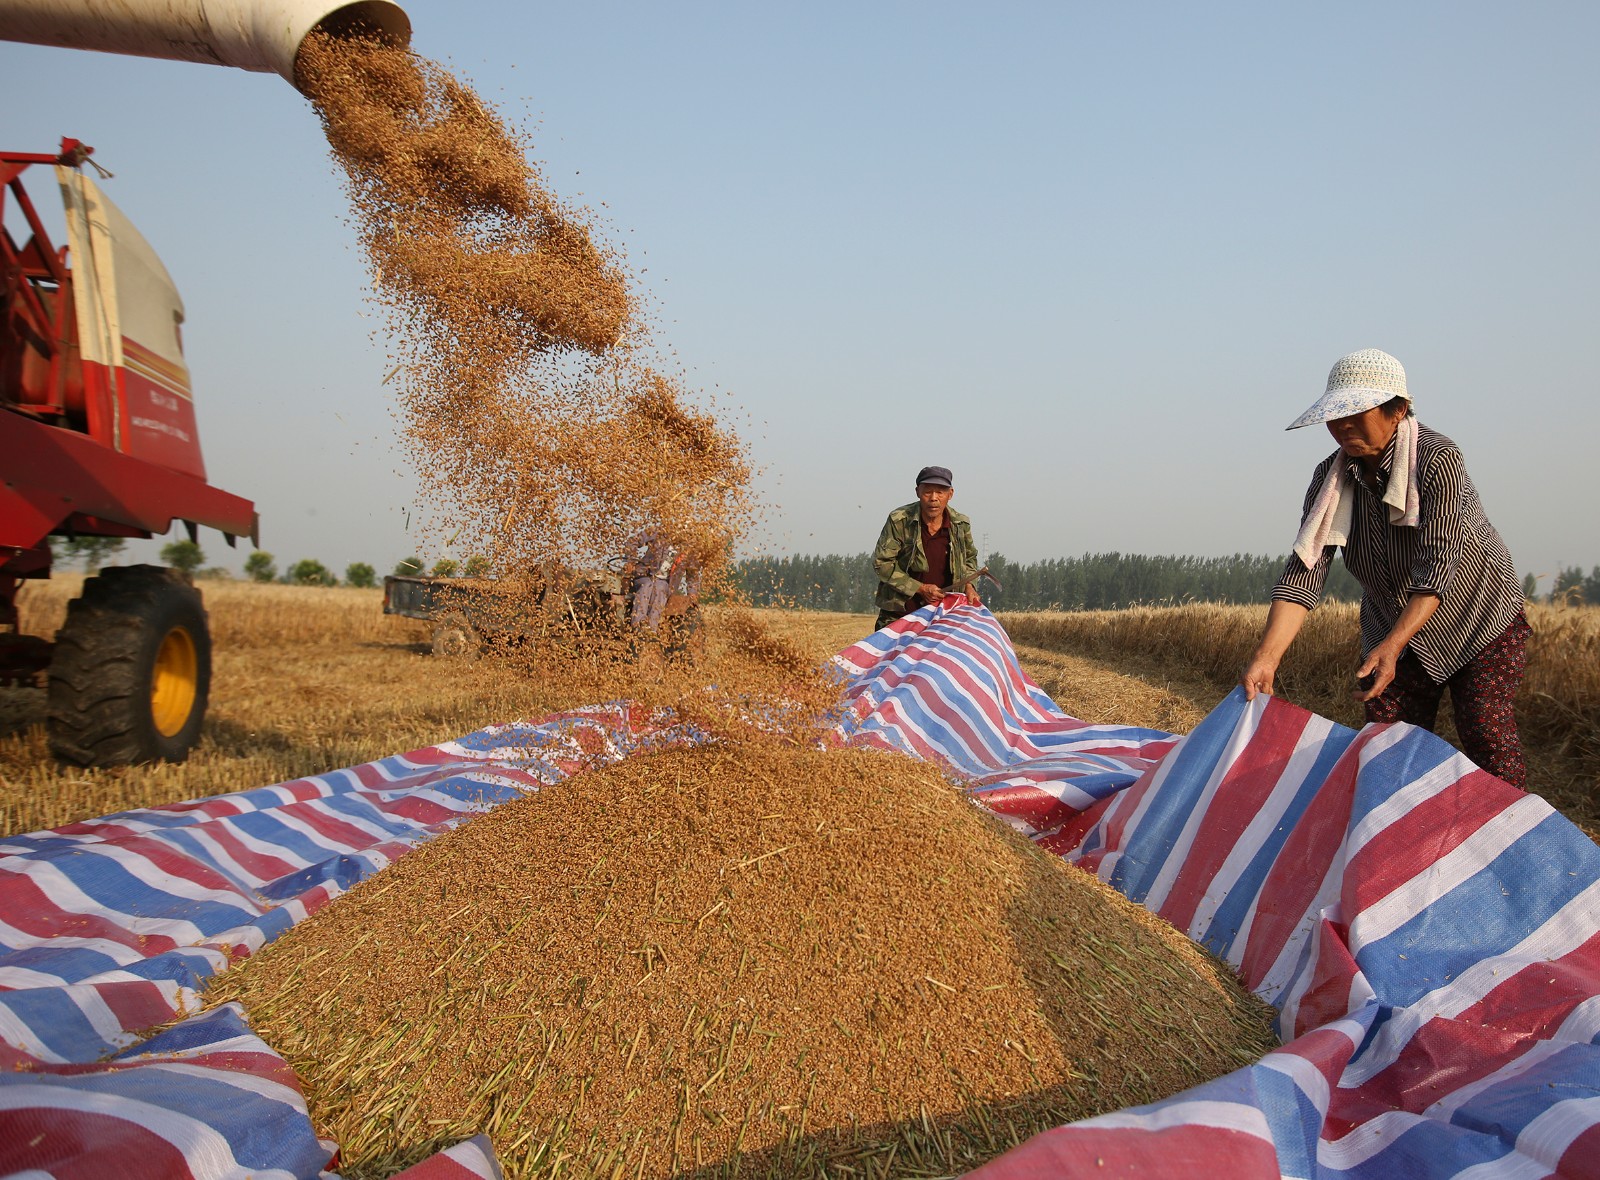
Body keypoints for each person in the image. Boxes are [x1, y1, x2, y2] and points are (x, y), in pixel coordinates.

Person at [1241, 349, 1532, 788]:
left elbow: (1436, 567)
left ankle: (1512, 840)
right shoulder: (1331, 479)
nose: (1341, 426)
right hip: (1390, 621)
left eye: (1355, 413)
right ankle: (1392, 843)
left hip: (1477, 619)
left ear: (1397, 410)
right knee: (1386, 747)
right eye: (1335, 416)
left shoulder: (1437, 458)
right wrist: (1266, 658)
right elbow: (1304, 572)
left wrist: (1394, 645)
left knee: (1487, 741)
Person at [872, 465, 981, 631]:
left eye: (940, 492)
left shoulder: (960, 524)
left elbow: (969, 560)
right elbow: (882, 563)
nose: (933, 498)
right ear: (917, 492)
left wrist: (969, 586)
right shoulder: (899, 520)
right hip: (901, 613)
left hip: (944, 615)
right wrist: (921, 588)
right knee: (891, 657)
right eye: (927, 491)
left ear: (950, 494)